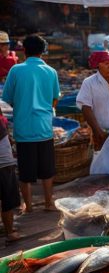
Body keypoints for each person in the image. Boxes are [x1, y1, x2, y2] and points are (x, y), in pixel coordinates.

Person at [0, 35, 59, 213]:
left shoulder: (16, 70)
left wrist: (23, 105)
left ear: (24, 50)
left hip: (24, 127)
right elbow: (54, 99)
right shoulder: (51, 71)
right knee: (47, 169)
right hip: (44, 127)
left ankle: (29, 207)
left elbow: (7, 99)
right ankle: (49, 203)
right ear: (43, 51)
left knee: (25, 172)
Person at [76, 51, 109, 151]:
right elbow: (86, 107)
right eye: (106, 64)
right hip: (103, 132)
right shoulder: (89, 82)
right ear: (98, 66)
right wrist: (97, 131)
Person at [0, 116, 20, 246]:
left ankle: (8, 229)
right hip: (3, 165)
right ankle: (9, 232)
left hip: (5, 164)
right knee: (7, 200)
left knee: (6, 200)